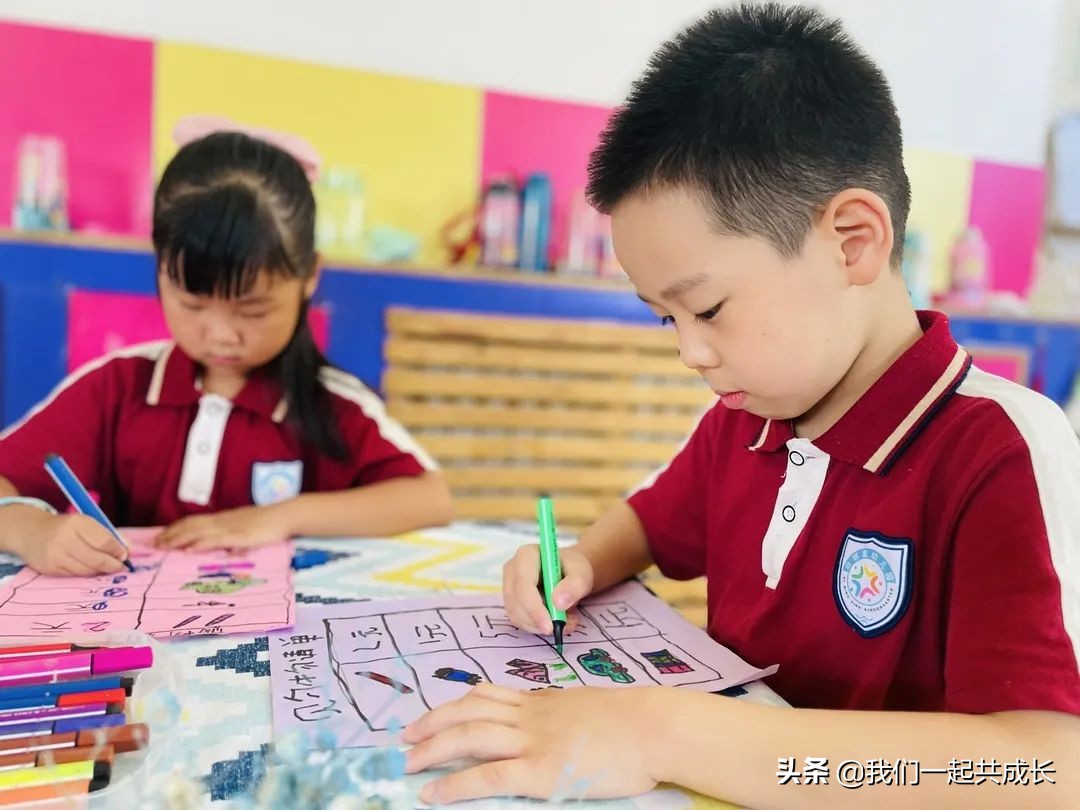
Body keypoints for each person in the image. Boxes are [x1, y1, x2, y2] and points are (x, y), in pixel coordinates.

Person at [402, 4, 1080, 806]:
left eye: (710, 309)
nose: (690, 351)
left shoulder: (999, 448)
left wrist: (660, 730)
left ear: (853, 241)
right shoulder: (747, 420)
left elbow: (1044, 766)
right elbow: (655, 522)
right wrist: (585, 559)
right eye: (668, 319)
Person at [0, 129, 452, 575]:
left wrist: (279, 517)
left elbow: (429, 498)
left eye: (252, 310)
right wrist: (32, 531)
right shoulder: (117, 387)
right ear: (160, 270)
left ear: (310, 275)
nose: (220, 335)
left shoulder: (334, 405)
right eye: (192, 304)